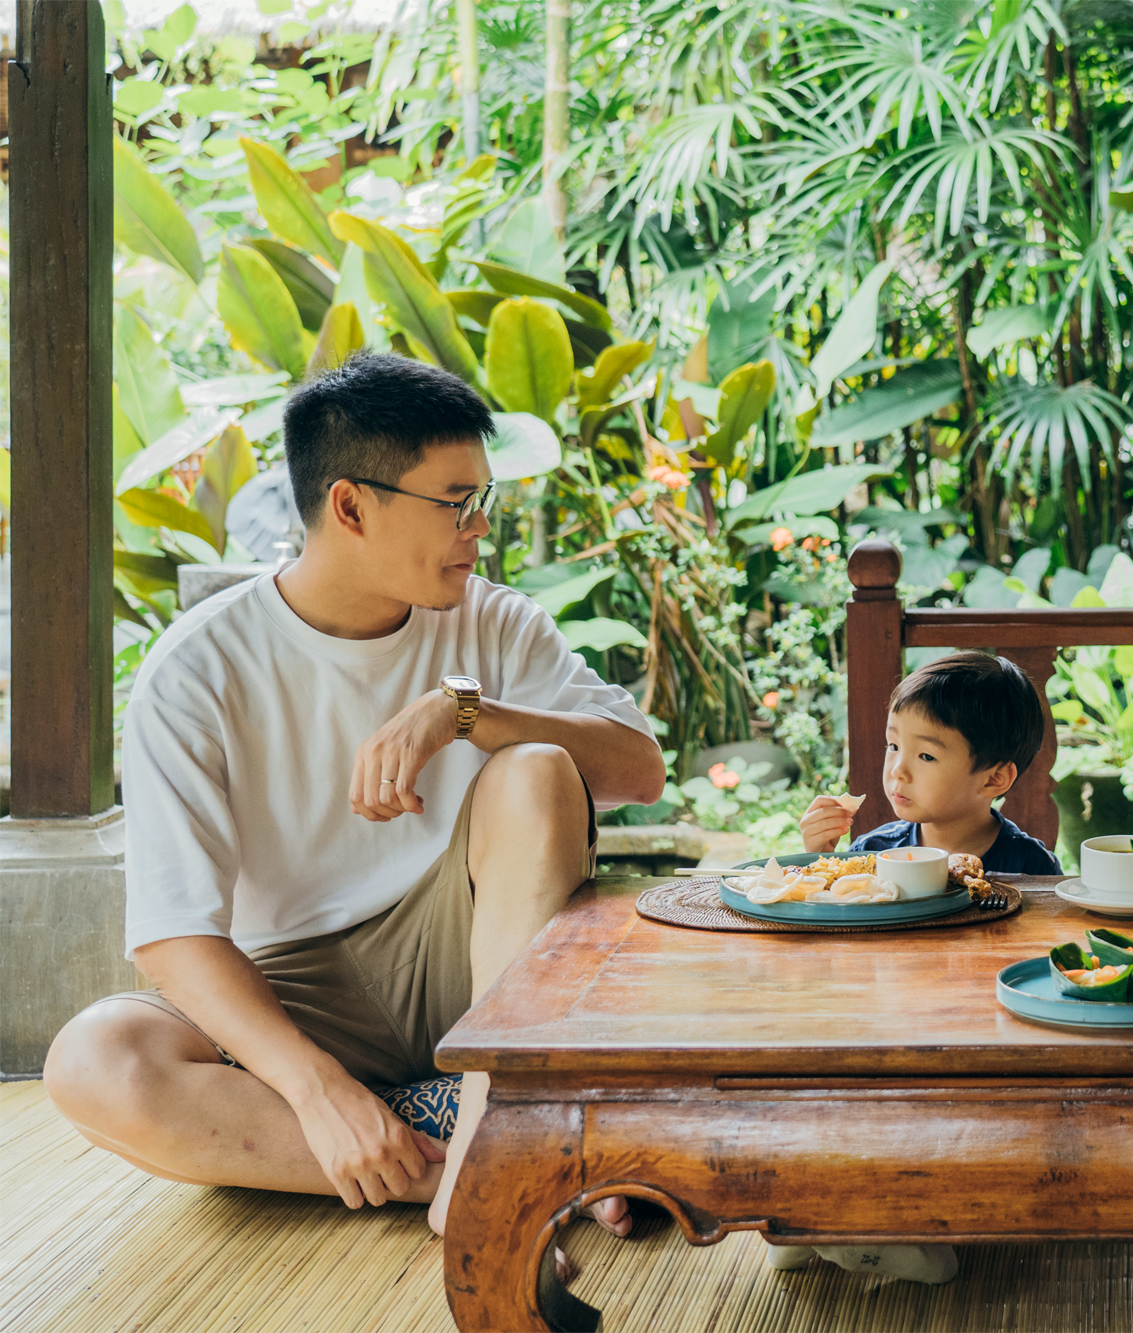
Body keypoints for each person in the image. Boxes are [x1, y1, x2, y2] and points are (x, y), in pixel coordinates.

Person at [41, 353, 666, 1249]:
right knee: (95, 1062)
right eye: (456, 502)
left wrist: (464, 712)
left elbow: (639, 771)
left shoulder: (492, 623)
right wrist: (312, 1086)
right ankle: (466, 1167)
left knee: (534, 768)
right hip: (296, 985)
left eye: (483, 499)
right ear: (350, 505)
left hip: (475, 956)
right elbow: (175, 933)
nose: (480, 527)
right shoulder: (196, 670)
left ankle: (496, 1128)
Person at [799, 650, 1061, 873]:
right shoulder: (873, 854)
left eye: (926, 756)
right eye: (894, 746)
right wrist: (818, 860)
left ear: (994, 778)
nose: (897, 770)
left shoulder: (1032, 866)